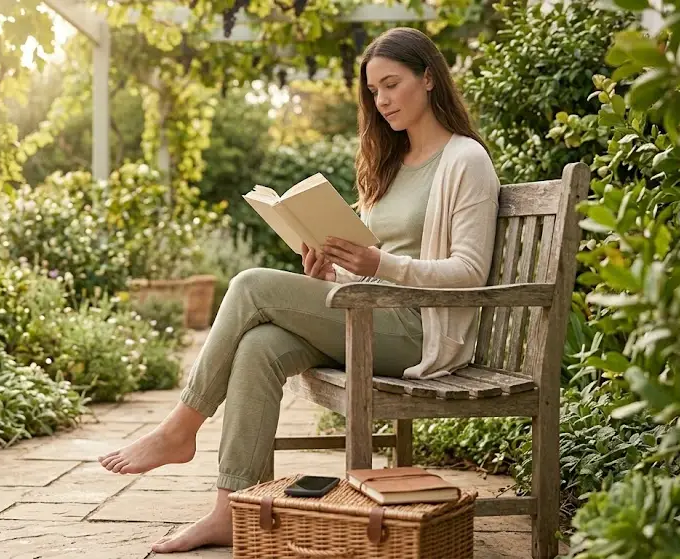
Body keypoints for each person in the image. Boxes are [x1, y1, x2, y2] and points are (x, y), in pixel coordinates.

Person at [97, 26, 500, 554]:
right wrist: (327, 271)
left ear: (428, 78)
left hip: (418, 333)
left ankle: (180, 429)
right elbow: (368, 268)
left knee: (248, 286)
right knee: (258, 348)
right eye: (373, 91)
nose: (381, 102)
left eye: (391, 84)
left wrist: (381, 262)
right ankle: (230, 509)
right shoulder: (387, 165)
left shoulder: (466, 161)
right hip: (364, 315)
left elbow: (469, 272)